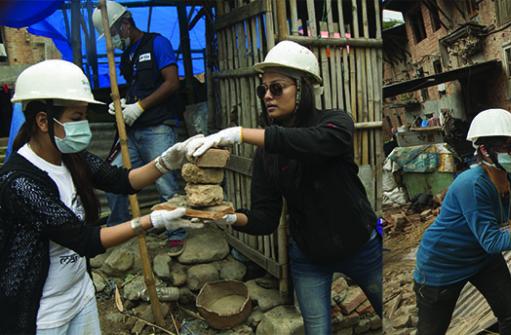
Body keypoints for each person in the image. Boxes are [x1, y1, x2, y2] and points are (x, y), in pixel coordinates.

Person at [185, 40, 382, 334]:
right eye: (262, 89)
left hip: (359, 244)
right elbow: (265, 218)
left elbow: (314, 142)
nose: (267, 96)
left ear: (302, 89)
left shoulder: (335, 123)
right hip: (308, 255)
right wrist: (228, 217)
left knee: (386, 309)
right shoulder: (267, 152)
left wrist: (239, 133)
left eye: (276, 88)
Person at [0, 59, 202, 334]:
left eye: (84, 115)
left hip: (80, 293)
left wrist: (166, 161)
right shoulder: (19, 181)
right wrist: (152, 221)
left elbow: (123, 180)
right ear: (43, 121)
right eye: (76, 117)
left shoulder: (71, 157)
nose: (85, 125)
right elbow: (85, 240)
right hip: (43, 311)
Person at [412, 108, 511, 335]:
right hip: (442, 265)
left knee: (509, 313)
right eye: (509, 148)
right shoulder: (471, 184)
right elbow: (492, 241)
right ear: (484, 150)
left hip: (483, 259)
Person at [92, 1, 186, 251]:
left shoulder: (157, 43)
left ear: (125, 25)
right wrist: (123, 104)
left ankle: (176, 230)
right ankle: (120, 228)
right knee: (112, 178)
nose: (112, 40)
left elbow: (172, 83)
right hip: (131, 132)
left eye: (113, 33)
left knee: (165, 181)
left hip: (157, 126)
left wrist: (140, 107)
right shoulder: (127, 56)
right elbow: (135, 87)